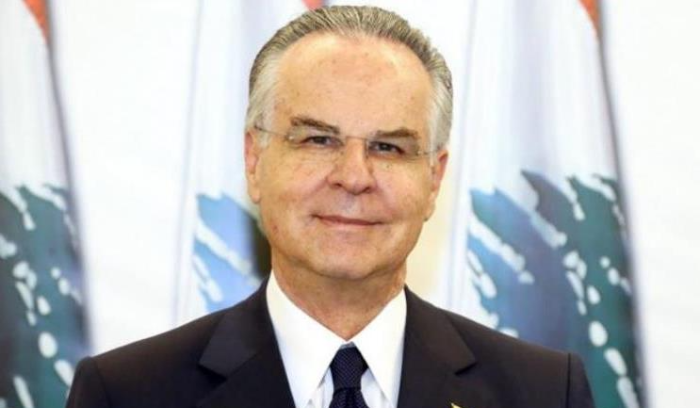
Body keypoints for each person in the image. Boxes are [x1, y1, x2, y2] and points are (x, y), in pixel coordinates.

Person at [66, 6, 595, 408]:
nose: (354, 177)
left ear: (434, 179)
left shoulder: (546, 392)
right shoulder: (126, 393)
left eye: (389, 147)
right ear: (254, 160)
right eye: (318, 140)